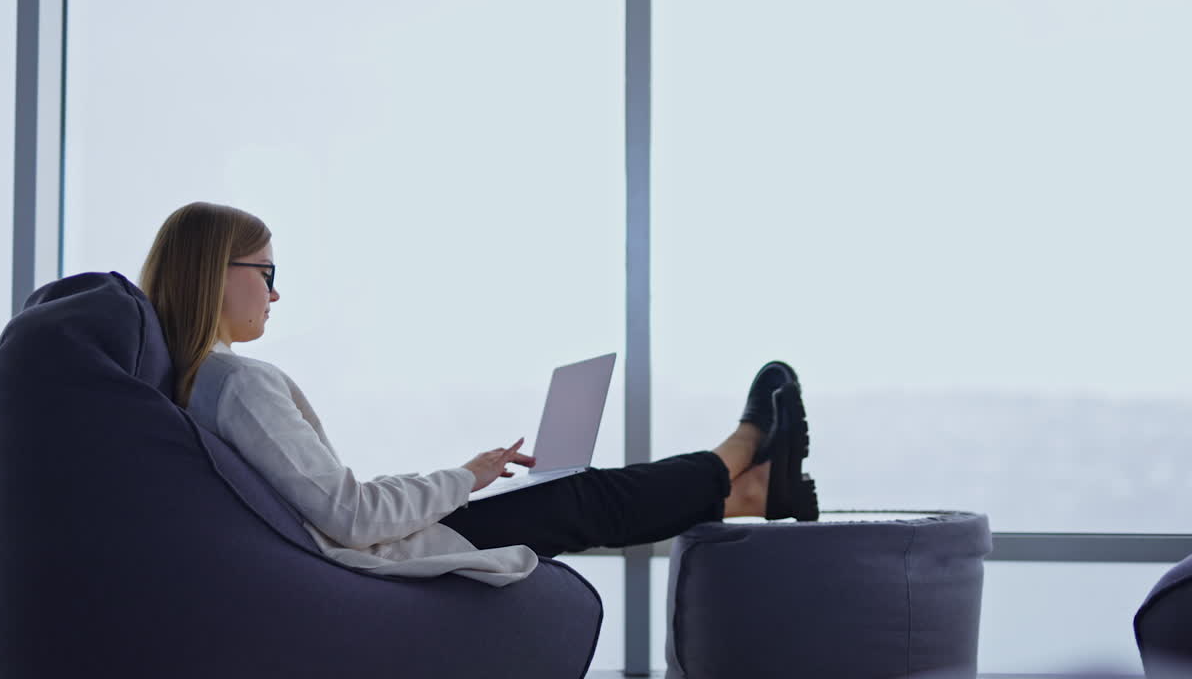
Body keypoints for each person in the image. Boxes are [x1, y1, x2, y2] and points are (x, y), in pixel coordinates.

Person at [139, 202, 820, 586]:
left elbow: (328, 500)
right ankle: (745, 452)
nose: (276, 291)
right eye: (266, 271)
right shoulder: (237, 384)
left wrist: (464, 479)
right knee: (579, 499)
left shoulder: (204, 384)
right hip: (368, 563)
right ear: (214, 272)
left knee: (572, 500)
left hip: (362, 553)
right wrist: (461, 477)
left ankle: (751, 492)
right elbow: (347, 513)